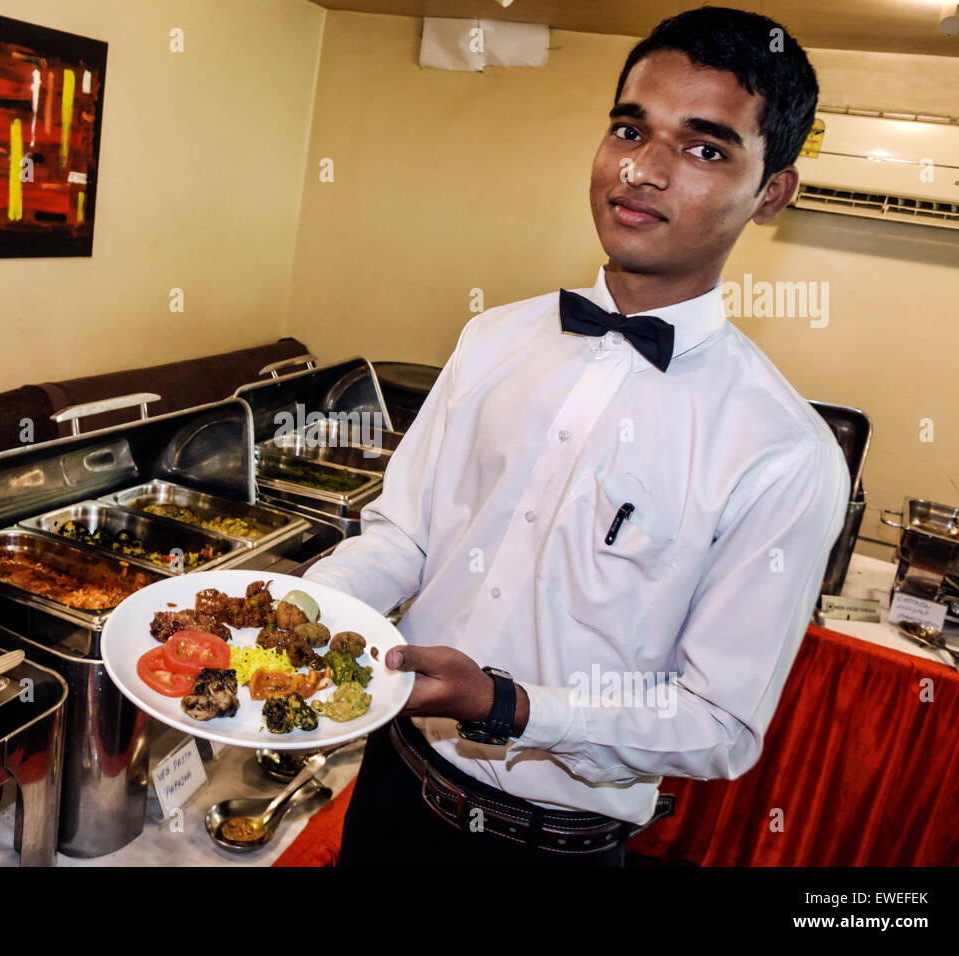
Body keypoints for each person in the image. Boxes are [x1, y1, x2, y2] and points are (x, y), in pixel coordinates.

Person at [302, 6, 850, 867]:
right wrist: (308, 606)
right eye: (630, 129)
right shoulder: (494, 337)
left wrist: (509, 706)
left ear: (772, 193)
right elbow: (405, 536)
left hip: (549, 851)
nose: (641, 169)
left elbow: (718, 725)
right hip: (389, 787)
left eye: (704, 149)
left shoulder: (785, 453)